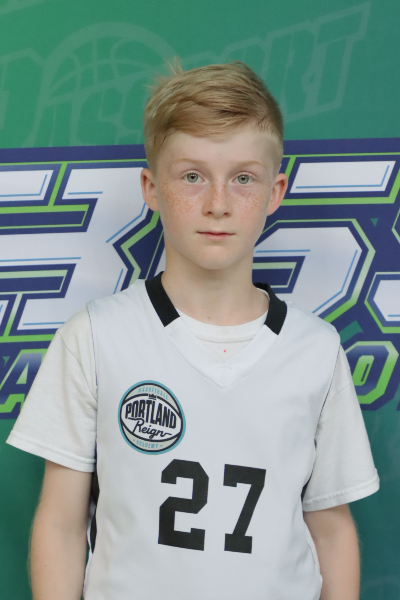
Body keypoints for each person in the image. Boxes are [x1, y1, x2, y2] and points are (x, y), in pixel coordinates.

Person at [7, 62, 379, 600]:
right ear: (151, 187)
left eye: (243, 178)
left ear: (275, 191)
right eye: (192, 176)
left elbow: (331, 529)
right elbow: (62, 524)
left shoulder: (315, 350)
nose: (218, 204)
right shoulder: (96, 337)